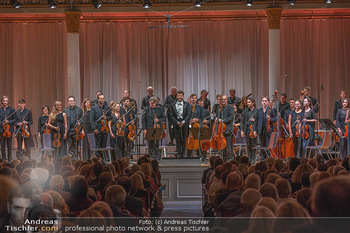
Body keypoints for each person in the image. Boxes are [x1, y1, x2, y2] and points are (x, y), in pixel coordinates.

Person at [169, 90, 191, 157]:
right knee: (177, 139)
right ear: (176, 96)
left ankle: (184, 153)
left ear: (183, 96)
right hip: (176, 123)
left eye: (181, 96)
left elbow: (188, 114)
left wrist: (184, 122)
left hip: (184, 123)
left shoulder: (187, 104)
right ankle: (178, 153)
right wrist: (177, 122)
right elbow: (171, 115)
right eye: (178, 95)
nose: (180, 97)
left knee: (184, 139)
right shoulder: (172, 105)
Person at [90, 93, 111, 159]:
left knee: (104, 146)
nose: (102, 100)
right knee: (98, 146)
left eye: (103, 98)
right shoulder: (94, 108)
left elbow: (110, 117)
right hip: (98, 129)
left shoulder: (107, 107)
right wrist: (94, 129)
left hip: (105, 129)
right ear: (98, 99)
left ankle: (103, 160)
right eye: (101, 98)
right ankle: (98, 160)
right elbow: (91, 120)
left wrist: (106, 118)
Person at [64, 96, 83, 160]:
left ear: (74, 101)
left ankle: (76, 159)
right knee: (70, 146)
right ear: (68, 102)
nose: (72, 102)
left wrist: (80, 123)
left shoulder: (79, 109)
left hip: (76, 130)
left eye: (73, 100)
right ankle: (71, 160)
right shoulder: (65, 110)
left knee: (76, 145)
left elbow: (82, 119)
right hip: (69, 130)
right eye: (70, 101)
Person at [215, 95, 234, 159]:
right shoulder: (219, 108)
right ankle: (224, 156)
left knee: (229, 144)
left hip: (228, 128)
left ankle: (231, 156)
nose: (223, 101)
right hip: (221, 129)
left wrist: (223, 120)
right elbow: (218, 116)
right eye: (222, 100)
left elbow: (231, 117)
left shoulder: (230, 107)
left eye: (224, 99)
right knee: (223, 145)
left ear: (227, 100)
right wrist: (216, 119)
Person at [240, 97, 258, 163]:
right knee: (248, 145)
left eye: (249, 102)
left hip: (254, 130)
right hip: (247, 130)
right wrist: (242, 130)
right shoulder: (245, 111)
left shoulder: (257, 111)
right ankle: (249, 159)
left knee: (254, 145)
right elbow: (242, 121)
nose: (248, 103)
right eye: (247, 102)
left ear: (253, 102)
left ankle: (253, 158)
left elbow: (258, 121)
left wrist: (254, 120)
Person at [186, 94, 204, 158]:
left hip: (198, 126)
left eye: (195, 98)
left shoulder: (200, 107)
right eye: (192, 98)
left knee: (198, 141)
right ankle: (188, 157)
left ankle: (199, 156)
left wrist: (197, 119)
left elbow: (202, 118)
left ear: (196, 99)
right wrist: (190, 120)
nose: (194, 99)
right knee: (189, 140)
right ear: (190, 99)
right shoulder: (187, 107)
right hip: (189, 126)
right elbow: (185, 116)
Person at [0, 96, 17, 162]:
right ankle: (4, 159)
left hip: (9, 130)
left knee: (9, 146)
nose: (5, 102)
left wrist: (9, 121)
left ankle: (9, 160)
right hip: (2, 130)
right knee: (2, 146)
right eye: (4, 101)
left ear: (8, 102)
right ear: (2, 102)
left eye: (6, 101)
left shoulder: (12, 110)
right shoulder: (0, 110)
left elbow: (15, 119)